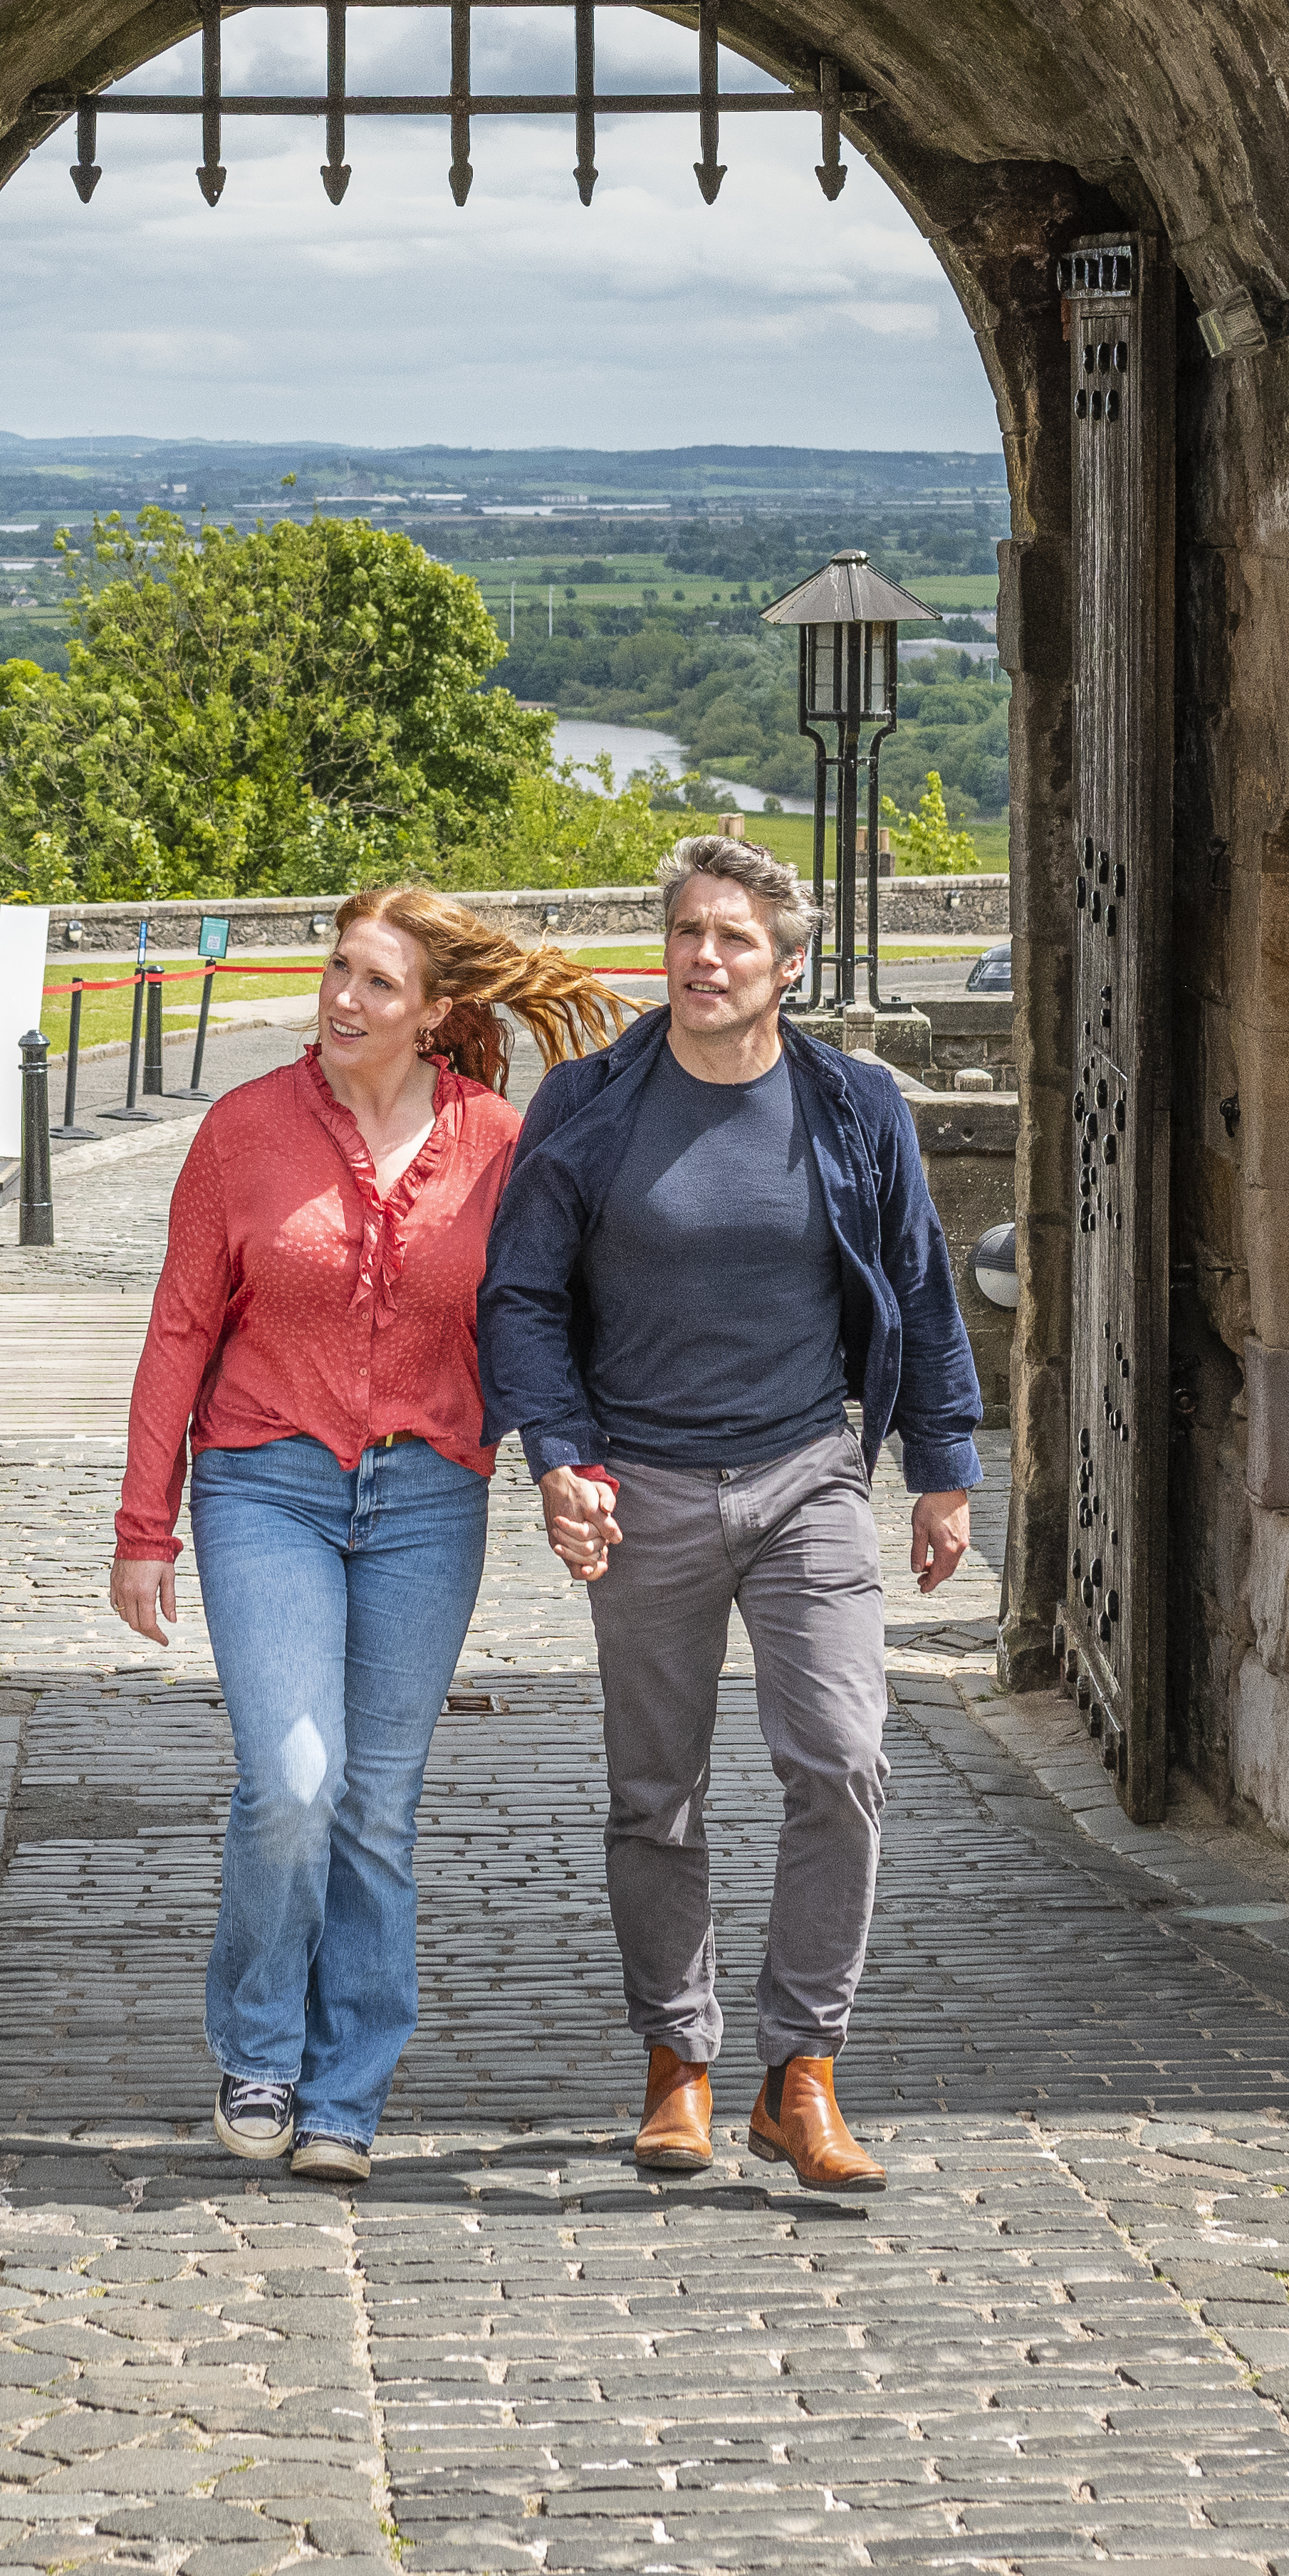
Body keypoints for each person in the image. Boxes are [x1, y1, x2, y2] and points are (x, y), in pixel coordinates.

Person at [474, 832, 981, 2194]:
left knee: (843, 1758)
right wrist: (560, 1456)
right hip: (642, 1485)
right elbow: (521, 1296)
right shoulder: (590, 1103)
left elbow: (920, 1286)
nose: (704, 957)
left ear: (788, 965)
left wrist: (942, 1469)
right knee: (658, 1793)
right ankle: (678, 2064)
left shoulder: (854, 1104)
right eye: (687, 932)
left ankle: (801, 2072)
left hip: (807, 1472)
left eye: (735, 937)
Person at [113, 884, 626, 2179]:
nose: (344, 998)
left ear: (436, 1013)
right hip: (266, 1483)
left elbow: (542, 1317)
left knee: (377, 1808)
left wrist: (571, 1463)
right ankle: (260, 2048)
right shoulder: (243, 1130)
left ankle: (346, 2093)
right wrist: (143, 1523)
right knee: (294, 1782)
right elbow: (180, 1326)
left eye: (378, 982)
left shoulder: (500, 1143)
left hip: (427, 1497)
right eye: (340, 968)